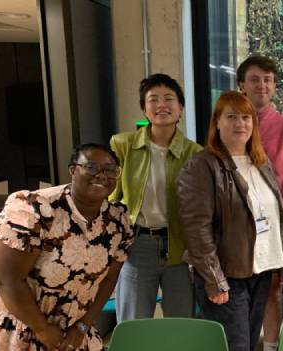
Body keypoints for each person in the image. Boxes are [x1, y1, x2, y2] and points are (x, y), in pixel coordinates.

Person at [0, 144, 133, 350]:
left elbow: (108, 279)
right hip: (14, 314)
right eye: (90, 167)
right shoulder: (35, 207)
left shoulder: (118, 220)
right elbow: (6, 279)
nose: (101, 175)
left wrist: (82, 326)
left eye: (110, 169)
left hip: (69, 319)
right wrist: (41, 328)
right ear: (73, 170)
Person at [177, 91, 283, 351]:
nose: (240, 124)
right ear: (217, 122)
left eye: (246, 117)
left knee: (251, 340)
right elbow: (197, 230)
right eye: (231, 117)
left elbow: (276, 216)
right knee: (236, 346)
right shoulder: (201, 166)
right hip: (227, 274)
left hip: (261, 270)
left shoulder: (261, 163)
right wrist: (214, 279)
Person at [110, 73, 202, 323]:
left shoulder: (196, 154)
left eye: (169, 98)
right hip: (138, 244)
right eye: (153, 99)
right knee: (133, 322)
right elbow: (110, 196)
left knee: (181, 323)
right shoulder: (123, 145)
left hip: (179, 246)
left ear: (180, 108)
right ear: (144, 109)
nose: (162, 105)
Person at [236, 55, 283, 351]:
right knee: (241, 290)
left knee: (273, 290)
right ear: (241, 85)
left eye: (267, 80)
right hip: (237, 225)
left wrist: (281, 224)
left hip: (276, 224)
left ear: (274, 86)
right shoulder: (231, 122)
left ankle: (272, 347)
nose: (261, 85)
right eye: (254, 79)